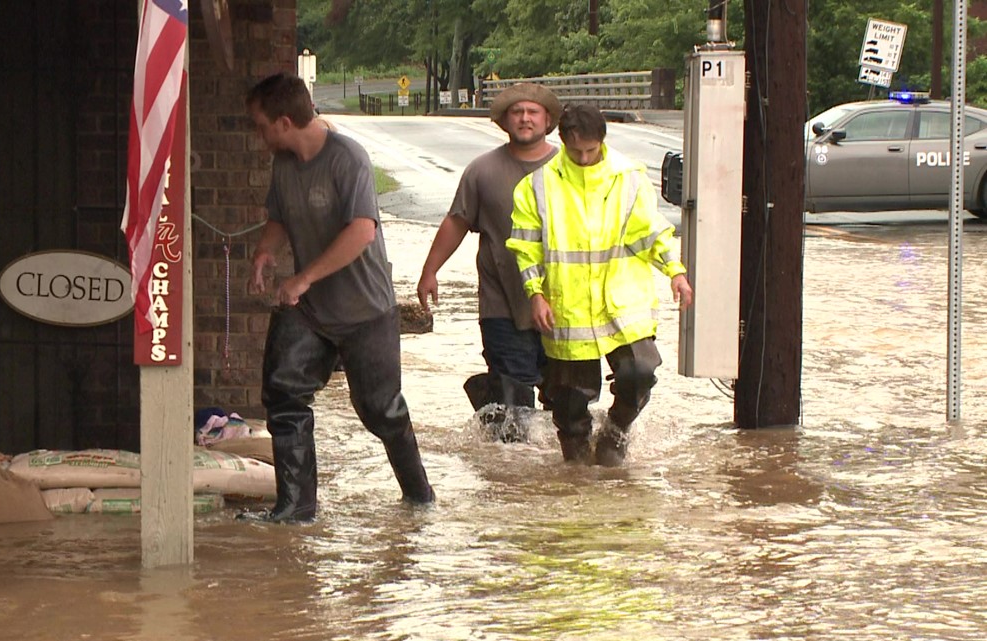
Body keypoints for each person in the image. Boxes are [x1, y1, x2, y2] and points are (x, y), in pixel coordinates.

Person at [242, 72, 435, 522]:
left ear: (284, 122)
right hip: (311, 311)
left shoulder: (348, 158)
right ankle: (295, 509)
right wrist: (266, 251)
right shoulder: (284, 162)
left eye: (261, 126)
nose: (259, 135)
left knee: (381, 411)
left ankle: (420, 499)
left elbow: (362, 231)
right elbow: (280, 215)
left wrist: (303, 278)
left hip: (365, 309)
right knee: (283, 394)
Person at [505, 104, 694, 466]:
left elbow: (651, 232)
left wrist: (676, 272)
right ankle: (577, 473)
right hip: (569, 307)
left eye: (591, 150)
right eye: (576, 151)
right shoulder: (537, 186)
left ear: (602, 142)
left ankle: (615, 431)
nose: (584, 158)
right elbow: (526, 248)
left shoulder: (628, 177)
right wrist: (536, 294)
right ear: (562, 142)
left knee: (639, 372)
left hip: (622, 304)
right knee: (570, 399)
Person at [416, 83, 560, 429]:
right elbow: (457, 221)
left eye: (533, 112)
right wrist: (430, 271)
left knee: (566, 408)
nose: (524, 118)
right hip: (501, 305)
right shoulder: (482, 170)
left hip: (564, 305)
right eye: (517, 112)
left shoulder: (569, 168)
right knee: (514, 411)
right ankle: (507, 452)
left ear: (548, 120)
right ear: (504, 121)